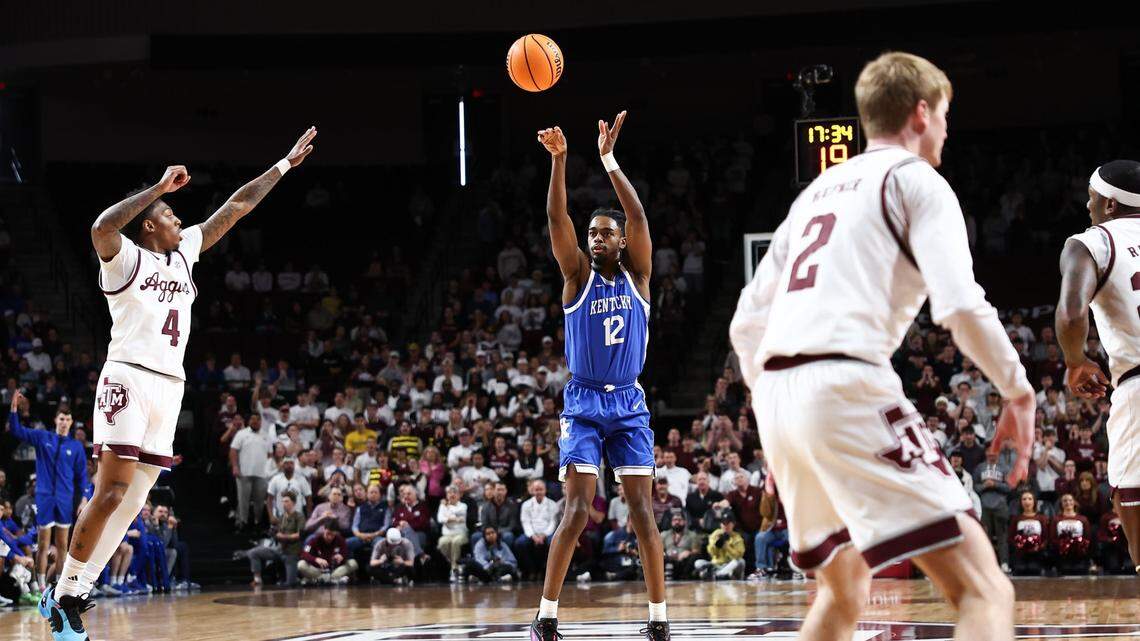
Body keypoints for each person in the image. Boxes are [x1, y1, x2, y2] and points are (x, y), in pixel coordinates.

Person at [729, 52, 1034, 641]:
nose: (946, 128)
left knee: (843, 590)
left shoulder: (812, 196)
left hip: (777, 395)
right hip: (845, 382)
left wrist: (778, 413)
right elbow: (960, 306)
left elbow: (745, 325)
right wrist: (1017, 390)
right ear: (922, 113)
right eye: (944, 114)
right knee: (984, 589)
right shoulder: (917, 179)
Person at [44, 128, 317, 639]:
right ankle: (63, 594)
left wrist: (282, 165)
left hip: (170, 386)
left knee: (132, 502)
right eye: (171, 215)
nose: (179, 219)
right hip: (128, 377)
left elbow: (236, 207)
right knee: (109, 494)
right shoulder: (125, 258)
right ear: (150, 224)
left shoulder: (185, 251)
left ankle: (75, 591)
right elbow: (102, 227)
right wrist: (158, 189)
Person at [532, 112, 668, 641]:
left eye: (605, 233)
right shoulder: (575, 278)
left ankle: (658, 620)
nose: (596, 239)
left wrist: (609, 160)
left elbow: (637, 214)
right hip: (585, 403)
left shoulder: (638, 276)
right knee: (578, 508)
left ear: (620, 241)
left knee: (642, 513)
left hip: (629, 403)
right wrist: (561, 161)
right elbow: (555, 218)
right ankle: (546, 614)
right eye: (592, 233)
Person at [1056, 158, 1140, 574]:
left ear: (1109, 205)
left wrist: (1075, 361)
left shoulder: (1093, 241)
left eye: (1092, 200)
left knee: (1132, 492)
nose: (1087, 207)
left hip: (1137, 384)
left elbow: (1072, 313)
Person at [6, 392, 86, 597]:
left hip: (65, 500)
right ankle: (41, 586)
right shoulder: (43, 437)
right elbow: (16, 430)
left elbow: (81, 477)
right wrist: (14, 408)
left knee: (62, 546)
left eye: (68, 420)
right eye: (61, 419)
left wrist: (84, 498)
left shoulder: (76, 447)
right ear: (55, 420)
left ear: (71, 423)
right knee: (42, 544)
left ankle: (60, 587)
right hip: (44, 497)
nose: (64, 422)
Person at [245, 491, 303, 587]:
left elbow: (300, 535)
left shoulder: (299, 517)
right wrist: (274, 533)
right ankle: (257, 579)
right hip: (278, 549)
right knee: (253, 552)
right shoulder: (281, 518)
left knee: (290, 584)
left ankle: (293, 579)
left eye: (287, 501)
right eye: (283, 501)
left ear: (293, 503)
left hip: (291, 552)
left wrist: (284, 536)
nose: (284, 504)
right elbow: (277, 534)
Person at [437, 485, 469, 582]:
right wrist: (455, 519)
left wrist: (447, 515)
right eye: (450, 493)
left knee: (456, 542)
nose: (452, 495)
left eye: (455, 492)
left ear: (459, 495)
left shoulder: (463, 505)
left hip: (461, 534)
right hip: (447, 535)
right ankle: (452, 565)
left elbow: (458, 511)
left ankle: (454, 569)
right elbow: (440, 519)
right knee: (442, 542)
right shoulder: (442, 505)